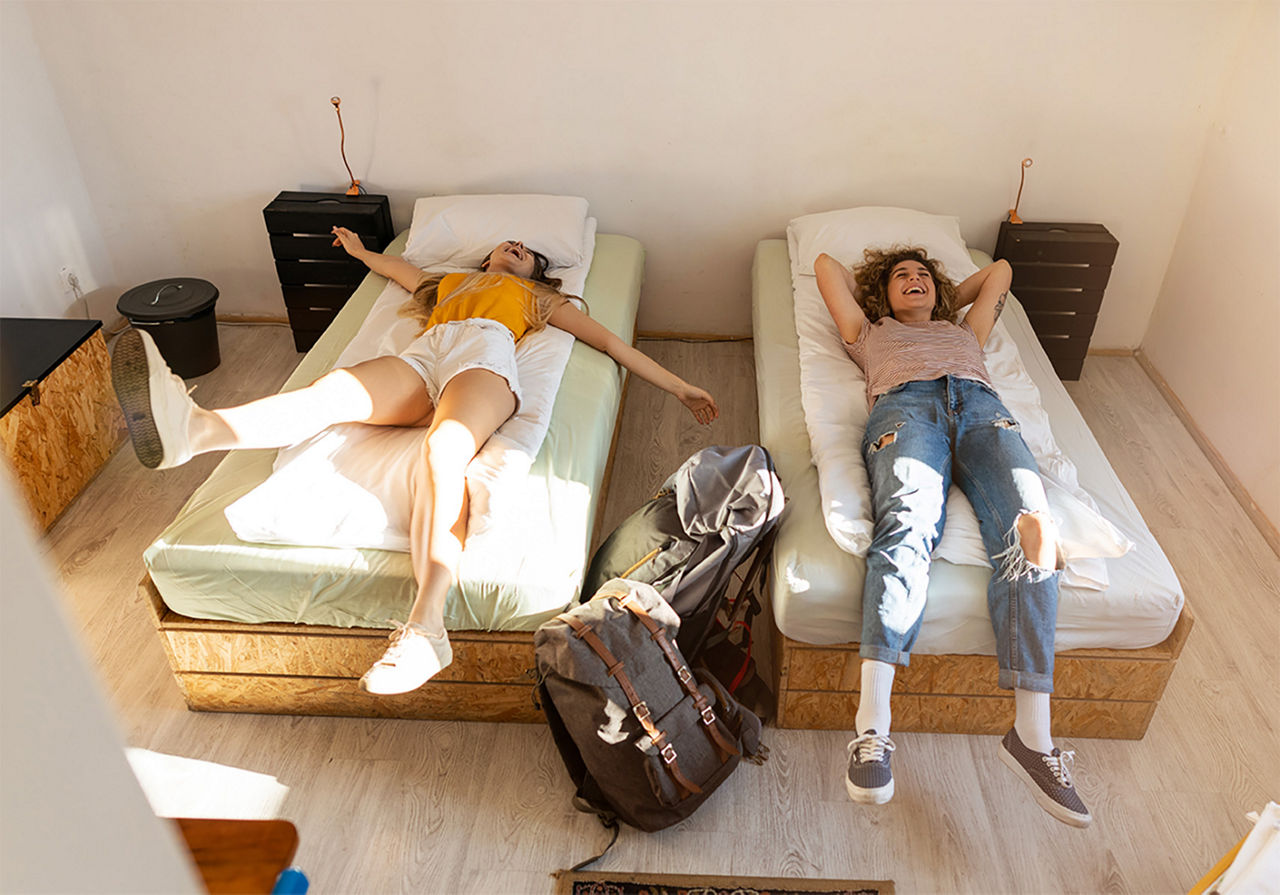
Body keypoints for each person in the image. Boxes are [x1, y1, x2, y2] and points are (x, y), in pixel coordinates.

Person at [114, 230, 719, 696]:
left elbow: (612, 344)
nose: (515, 247)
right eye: (507, 244)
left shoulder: (537, 299)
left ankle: (427, 627)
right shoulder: (445, 282)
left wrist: (680, 388)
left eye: (529, 250)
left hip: (485, 355)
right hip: (424, 354)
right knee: (327, 397)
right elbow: (392, 267)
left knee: (444, 449)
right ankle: (195, 431)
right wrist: (356, 247)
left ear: (538, 272)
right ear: (485, 258)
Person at [814, 245, 1091, 828]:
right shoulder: (867, 331)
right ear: (879, 295)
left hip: (985, 410)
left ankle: (1033, 739)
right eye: (900, 278)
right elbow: (823, 264)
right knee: (907, 528)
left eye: (922, 275)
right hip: (905, 410)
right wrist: (898, 292)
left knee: (1034, 532)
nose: (913, 280)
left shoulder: (967, 331)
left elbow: (1000, 272)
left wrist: (941, 295)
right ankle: (872, 730)